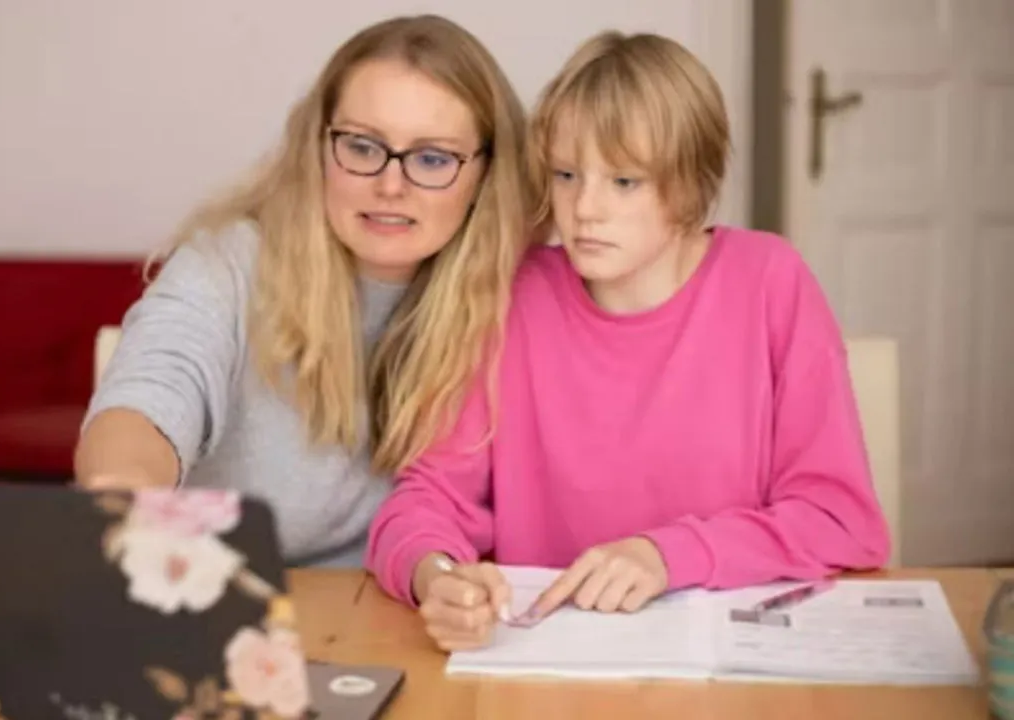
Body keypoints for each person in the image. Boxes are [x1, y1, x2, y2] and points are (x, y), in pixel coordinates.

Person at [364, 30, 892, 650]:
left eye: (624, 182)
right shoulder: (513, 295)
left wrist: (667, 555)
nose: (585, 208)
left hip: (727, 669)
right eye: (566, 174)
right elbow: (426, 500)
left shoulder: (770, 282)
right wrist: (438, 577)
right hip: (545, 669)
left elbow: (839, 522)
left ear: (690, 184)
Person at [74, 15, 533, 568]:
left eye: (432, 158)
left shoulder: (518, 297)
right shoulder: (228, 263)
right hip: (224, 602)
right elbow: (151, 392)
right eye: (363, 147)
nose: (391, 185)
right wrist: (125, 489)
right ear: (318, 146)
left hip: (398, 619)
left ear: (487, 171)